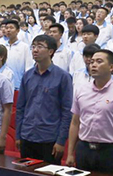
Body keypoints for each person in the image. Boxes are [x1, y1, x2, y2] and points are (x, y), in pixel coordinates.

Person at [66, 49, 113, 175]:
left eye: (99, 61)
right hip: (84, 148)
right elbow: (75, 123)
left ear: (111, 67)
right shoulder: (81, 90)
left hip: (109, 150)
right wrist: (70, 153)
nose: (93, 65)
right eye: (92, 62)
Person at [16, 35, 73, 163]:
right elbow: (20, 108)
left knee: (47, 174)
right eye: (33, 46)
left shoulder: (63, 77)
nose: (35, 50)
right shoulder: (27, 76)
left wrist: (61, 141)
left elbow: (66, 111)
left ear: (51, 51)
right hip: (27, 135)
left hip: (49, 138)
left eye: (40, 46)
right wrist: (18, 135)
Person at [2, 20, 34, 90]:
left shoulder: (24, 47)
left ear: (18, 30)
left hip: (18, 86)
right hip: (3, 85)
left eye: (11, 28)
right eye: (7, 28)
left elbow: (28, 67)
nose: (8, 30)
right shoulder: (2, 46)